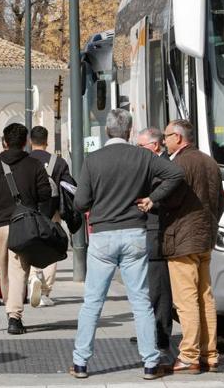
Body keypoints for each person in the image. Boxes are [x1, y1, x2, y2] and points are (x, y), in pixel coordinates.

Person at [71, 109, 183, 380]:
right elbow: (175, 175)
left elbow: (81, 202)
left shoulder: (93, 160)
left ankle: (81, 363)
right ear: (130, 131)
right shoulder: (143, 156)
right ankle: (149, 363)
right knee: (141, 302)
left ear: (107, 130)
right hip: (135, 232)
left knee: (92, 302)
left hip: (103, 237)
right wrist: (152, 198)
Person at [0, 123, 52, 334]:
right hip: (23, 224)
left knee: (4, 271)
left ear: (5, 142)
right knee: (19, 271)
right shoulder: (34, 165)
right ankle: (14, 317)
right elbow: (45, 194)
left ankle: (11, 310)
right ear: (26, 142)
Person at [160, 119, 224, 374]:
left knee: (186, 300)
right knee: (205, 297)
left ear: (178, 137)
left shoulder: (179, 163)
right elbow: (220, 202)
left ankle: (189, 355)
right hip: (205, 238)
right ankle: (210, 354)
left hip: (182, 239)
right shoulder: (209, 161)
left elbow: (170, 200)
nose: (164, 141)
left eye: (166, 136)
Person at [134, 127, 174, 361]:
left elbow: (165, 196)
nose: (138, 151)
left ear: (155, 146)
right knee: (149, 288)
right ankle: (150, 332)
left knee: (159, 290)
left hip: (158, 232)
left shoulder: (165, 166)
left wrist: (148, 201)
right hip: (148, 231)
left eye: (141, 147)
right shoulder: (152, 164)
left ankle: (161, 337)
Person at [27, 125, 76, 307]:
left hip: (28, 214)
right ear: (47, 142)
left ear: (30, 141)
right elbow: (69, 186)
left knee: (30, 247)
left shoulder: (24, 160)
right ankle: (46, 292)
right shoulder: (59, 162)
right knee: (51, 250)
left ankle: (32, 278)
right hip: (52, 213)